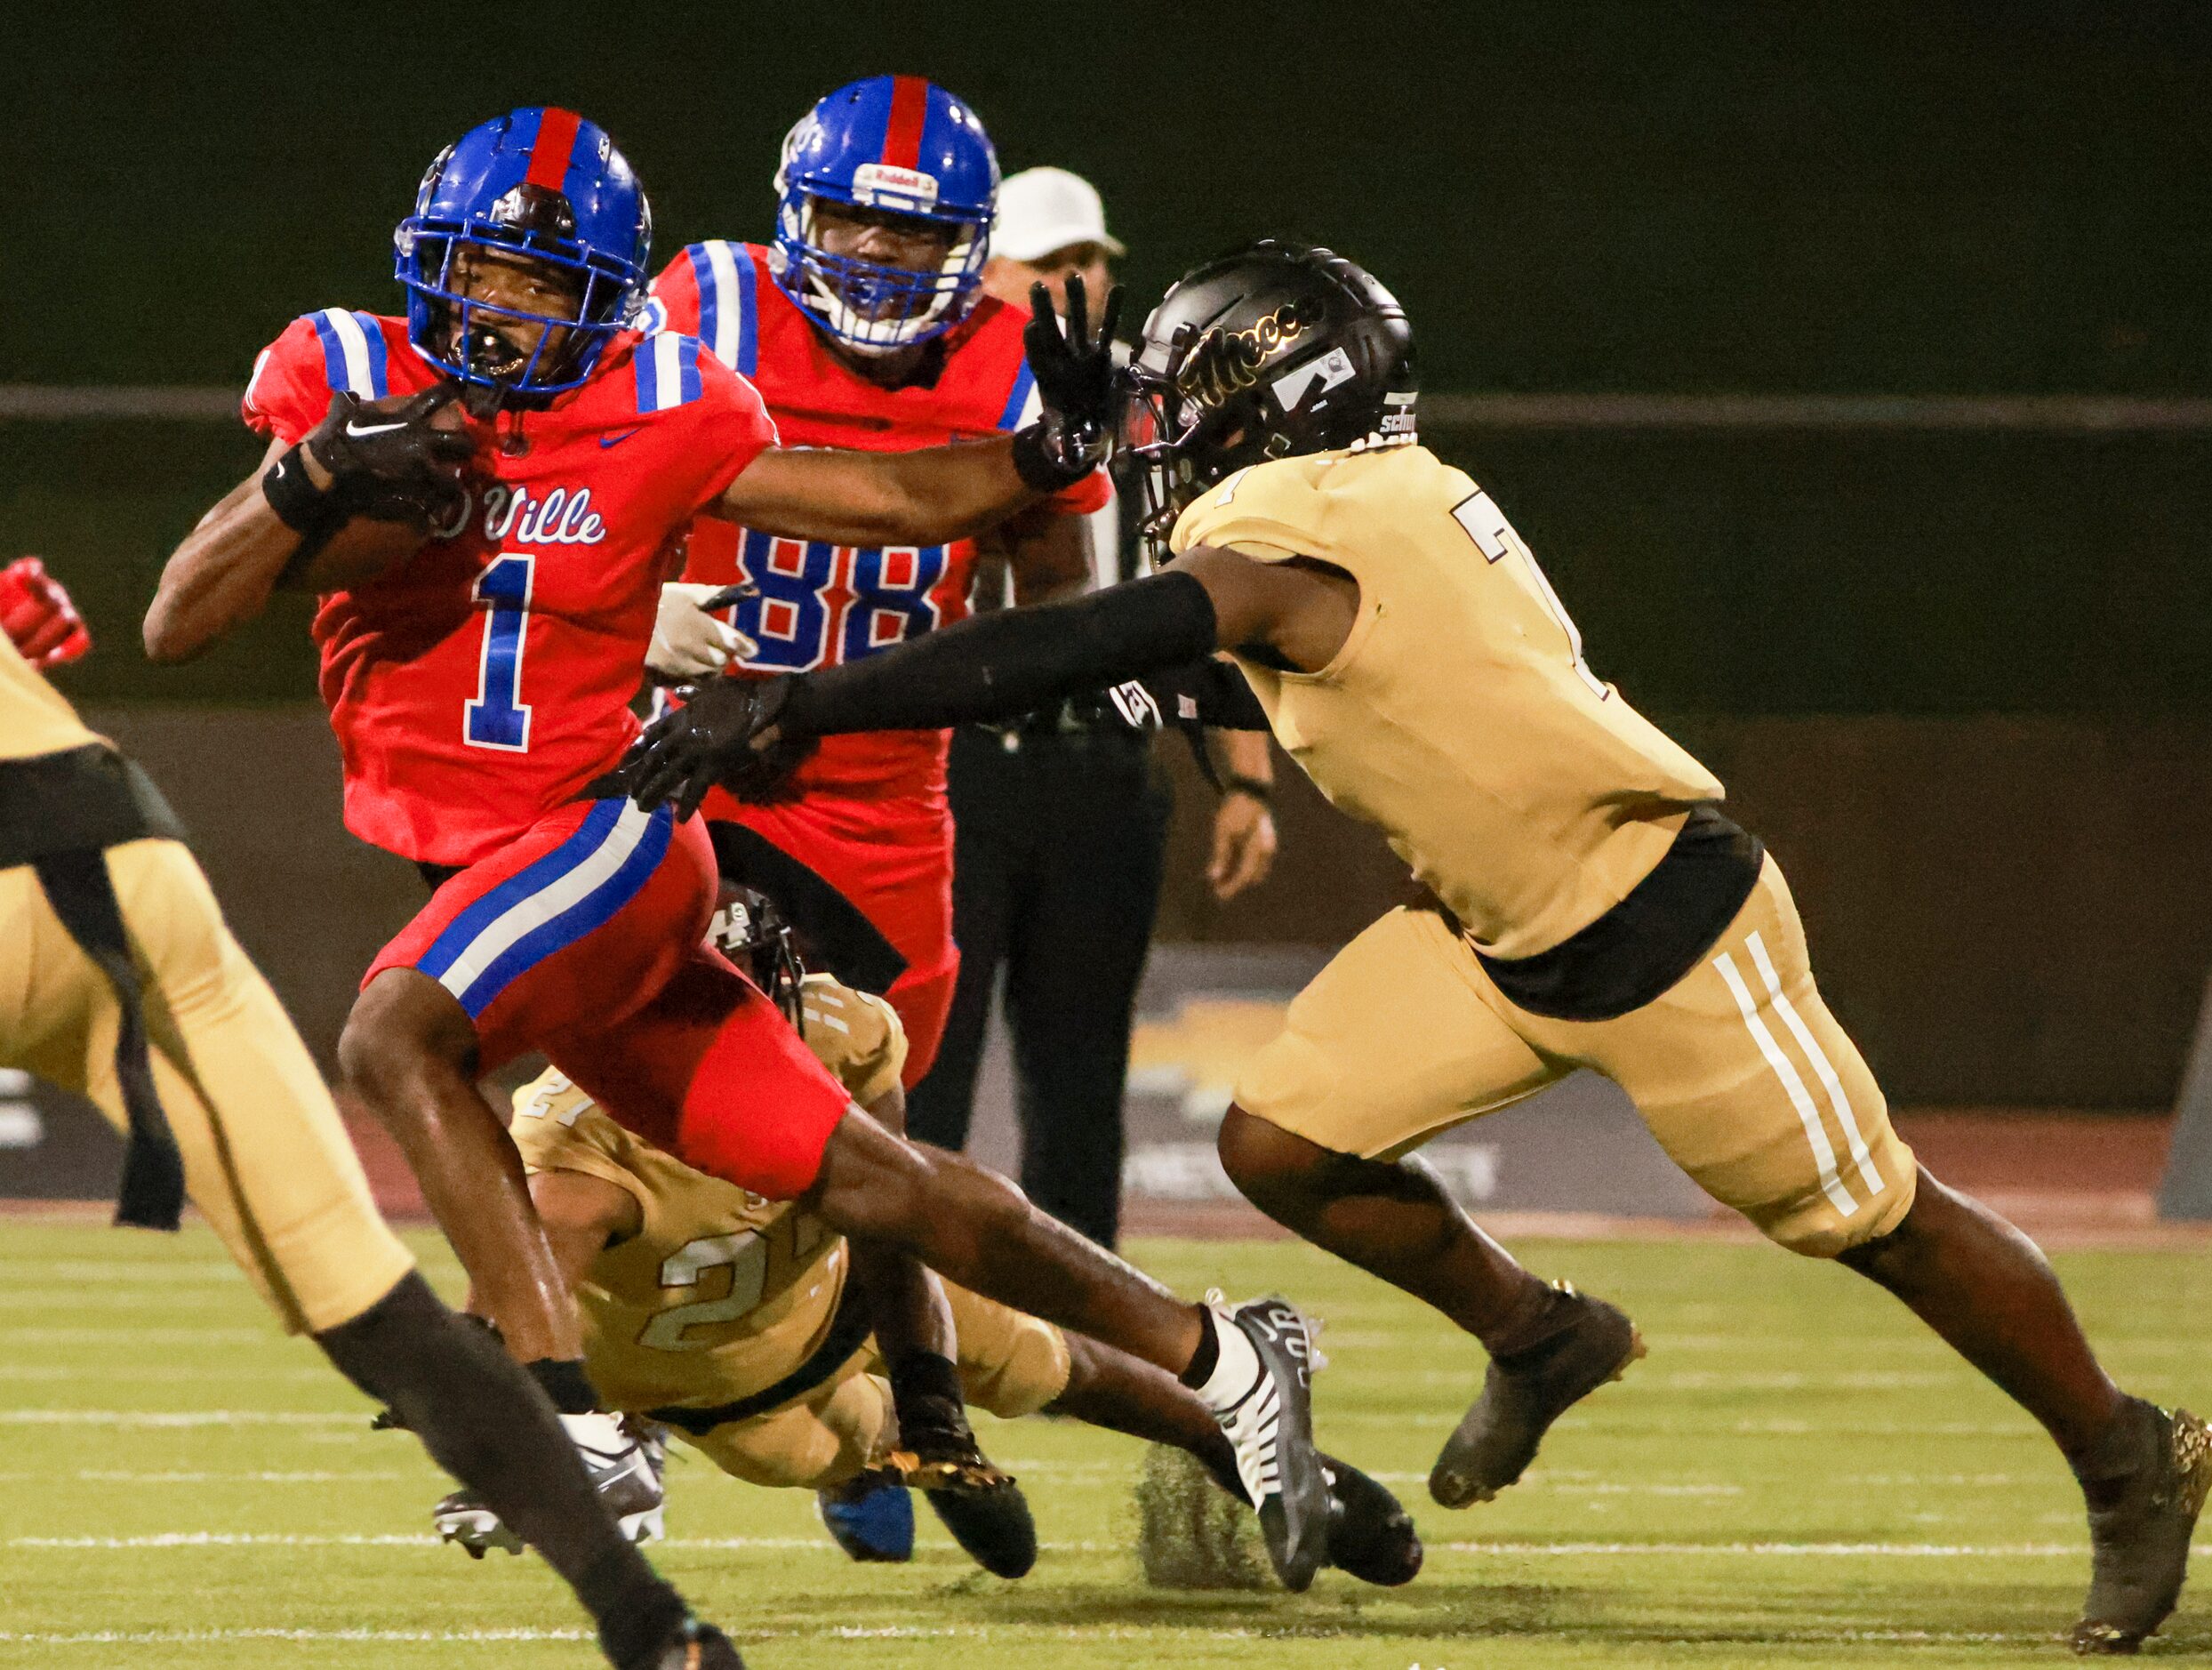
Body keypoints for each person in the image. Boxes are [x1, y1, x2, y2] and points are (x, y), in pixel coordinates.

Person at [620, 242, 2212, 1654]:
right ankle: (1540, 1329)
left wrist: (805, 696)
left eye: (1190, 404)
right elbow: (1256, 667)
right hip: (1485, 928)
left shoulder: (1298, 531)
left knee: (1874, 1218)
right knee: (1284, 1141)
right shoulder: (1362, 499)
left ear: (1268, 402)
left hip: (1652, 914)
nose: (1173, 436)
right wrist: (1087, 460)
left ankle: (2122, 1448)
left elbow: (1103, 632)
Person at [145, 112, 1337, 1593]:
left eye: (539, 279)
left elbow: (894, 499)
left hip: (606, 836)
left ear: (598, 290)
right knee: (873, 1176)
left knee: (397, 1032)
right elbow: (179, 618)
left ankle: (565, 1416)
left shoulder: (668, 401)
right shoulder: (349, 371)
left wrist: (1045, 447)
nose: (503, 307)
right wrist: (307, 476)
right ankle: (1222, 1355)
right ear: (428, 262)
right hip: (496, 868)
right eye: (483, 272)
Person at [0, 558, 740, 1670]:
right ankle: (653, 1628)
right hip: (121, 861)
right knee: (387, 1324)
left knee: (391, 1315)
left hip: (70, 874)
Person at [496, 885, 1419, 1586]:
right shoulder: (575, 1154)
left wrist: (932, 1386)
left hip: (839, 1285)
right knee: (846, 1446)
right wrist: (553, 1437)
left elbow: (893, 1219)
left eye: (748, 1008)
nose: (736, 1040)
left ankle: (1260, 1455)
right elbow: (516, 1321)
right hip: (726, 1389)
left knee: (1053, 1364)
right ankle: (878, 1468)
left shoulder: (843, 1034)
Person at [637, 77, 1109, 1091]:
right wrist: (635, 614)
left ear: (970, 245)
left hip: (884, 799)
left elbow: (1057, 594)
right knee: (664, 1093)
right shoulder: (711, 306)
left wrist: (1037, 674)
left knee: (879, 1103)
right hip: (690, 765)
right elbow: (591, 481)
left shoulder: (1014, 370)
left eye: (911, 228)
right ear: (796, 212)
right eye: (849, 216)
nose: (876, 251)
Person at [905, 165, 1278, 1249]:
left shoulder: (1156, 403)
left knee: (1080, 1076)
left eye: (1092, 259)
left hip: (1103, 768)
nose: (1081, 279)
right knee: (927, 1063)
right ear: (989, 271)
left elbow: (1203, 594)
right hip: (955, 764)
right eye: (1052, 261)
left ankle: (1091, 1329)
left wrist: (1244, 780)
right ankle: (909, 1316)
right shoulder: (938, 383)